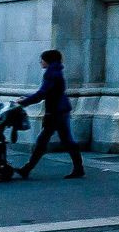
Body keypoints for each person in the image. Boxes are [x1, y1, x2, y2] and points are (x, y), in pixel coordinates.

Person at [16, 49, 85, 178]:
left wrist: (24, 101)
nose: (40, 62)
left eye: (42, 59)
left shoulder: (51, 74)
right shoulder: (56, 72)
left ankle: (27, 168)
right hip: (60, 110)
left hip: (55, 112)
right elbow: (45, 93)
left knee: (45, 140)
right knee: (64, 140)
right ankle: (78, 168)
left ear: (48, 60)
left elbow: (42, 93)